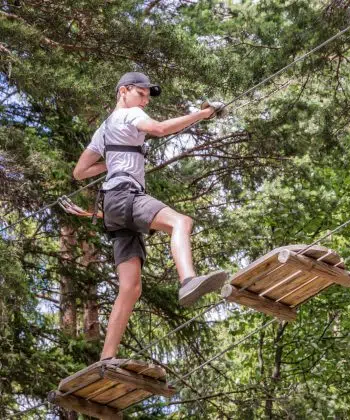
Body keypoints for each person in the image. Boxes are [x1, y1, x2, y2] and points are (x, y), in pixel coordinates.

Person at [66, 72, 228, 360]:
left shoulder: (103, 130)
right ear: (124, 91)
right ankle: (188, 279)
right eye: (141, 94)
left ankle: (107, 357)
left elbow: (79, 172)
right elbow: (161, 129)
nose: (145, 101)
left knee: (130, 287)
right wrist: (203, 114)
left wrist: (113, 161)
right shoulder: (130, 114)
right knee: (181, 222)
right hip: (126, 195)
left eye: (146, 97)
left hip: (113, 208)